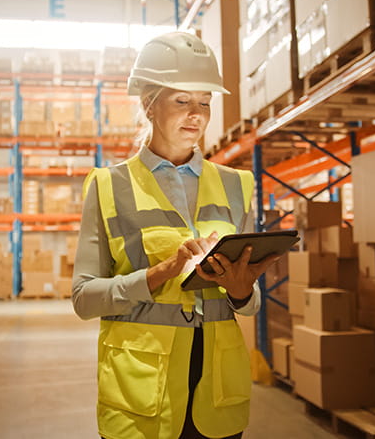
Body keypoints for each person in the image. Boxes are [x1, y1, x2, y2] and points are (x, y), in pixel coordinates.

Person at [72, 31, 278, 439]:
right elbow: (83, 298)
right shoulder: (109, 185)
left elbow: (249, 305)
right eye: (182, 100)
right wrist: (160, 272)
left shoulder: (237, 185)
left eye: (205, 102)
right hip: (142, 395)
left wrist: (240, 291)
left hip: (216, 393)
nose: (196, 115)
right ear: (149, 105)